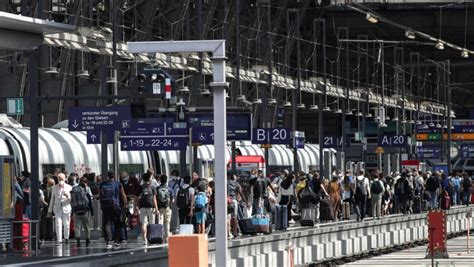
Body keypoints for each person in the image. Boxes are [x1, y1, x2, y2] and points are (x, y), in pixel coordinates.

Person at [100, 170, 127, 249]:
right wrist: (125, 204)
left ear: (108, 176)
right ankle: (116, 241)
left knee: (107, 223)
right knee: (118, 223)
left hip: (106, 206)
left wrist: (102, 205)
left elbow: (100, 195)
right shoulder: (118, 184)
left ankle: (108, 241)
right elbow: (123, 195)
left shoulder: (103, 184)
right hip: (115, 205)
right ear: (114, 176)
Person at [47, 173, 72, 244]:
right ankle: (59, 239)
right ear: (57, 179)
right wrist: (49, 210)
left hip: (66, 207)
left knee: (66, 224)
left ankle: (66, 238)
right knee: (58, 224)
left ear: (65, 179)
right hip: (57, 208)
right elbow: (52, 199)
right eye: (59, 179)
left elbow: (71, 200)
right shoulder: (54, 188)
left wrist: (68, 196)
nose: (60, 180)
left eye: (62, 179)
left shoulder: (69, 187)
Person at [137, 172, 159, 246]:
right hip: (151, 207)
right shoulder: (152, 187)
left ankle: (144, 240)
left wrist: (136, 207)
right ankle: (151, 239)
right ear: (149, 179)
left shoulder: (141, 187)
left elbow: (137, 198)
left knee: (143, 223)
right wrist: (156, 209)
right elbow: (154, 199)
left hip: (142, 207)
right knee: (151, 223)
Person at [71, 177, 93, 247]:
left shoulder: (74, 193)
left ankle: (78, 241)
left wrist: (73, 212)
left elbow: (72, 202)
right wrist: (92, 213)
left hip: (77, 211)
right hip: (85, 211)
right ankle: (87, 240)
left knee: (77, 227)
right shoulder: (86, 194)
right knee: (86, 226)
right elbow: (89, 203)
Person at [157, 175, 172, 242]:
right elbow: (173, 199)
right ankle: (167, 237)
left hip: (159, 208)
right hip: (167, 207)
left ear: (160, 180)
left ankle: (160, 237)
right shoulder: (169, 189)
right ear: (166, 180)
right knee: (167, 222)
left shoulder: (157, 188)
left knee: (160, 222)